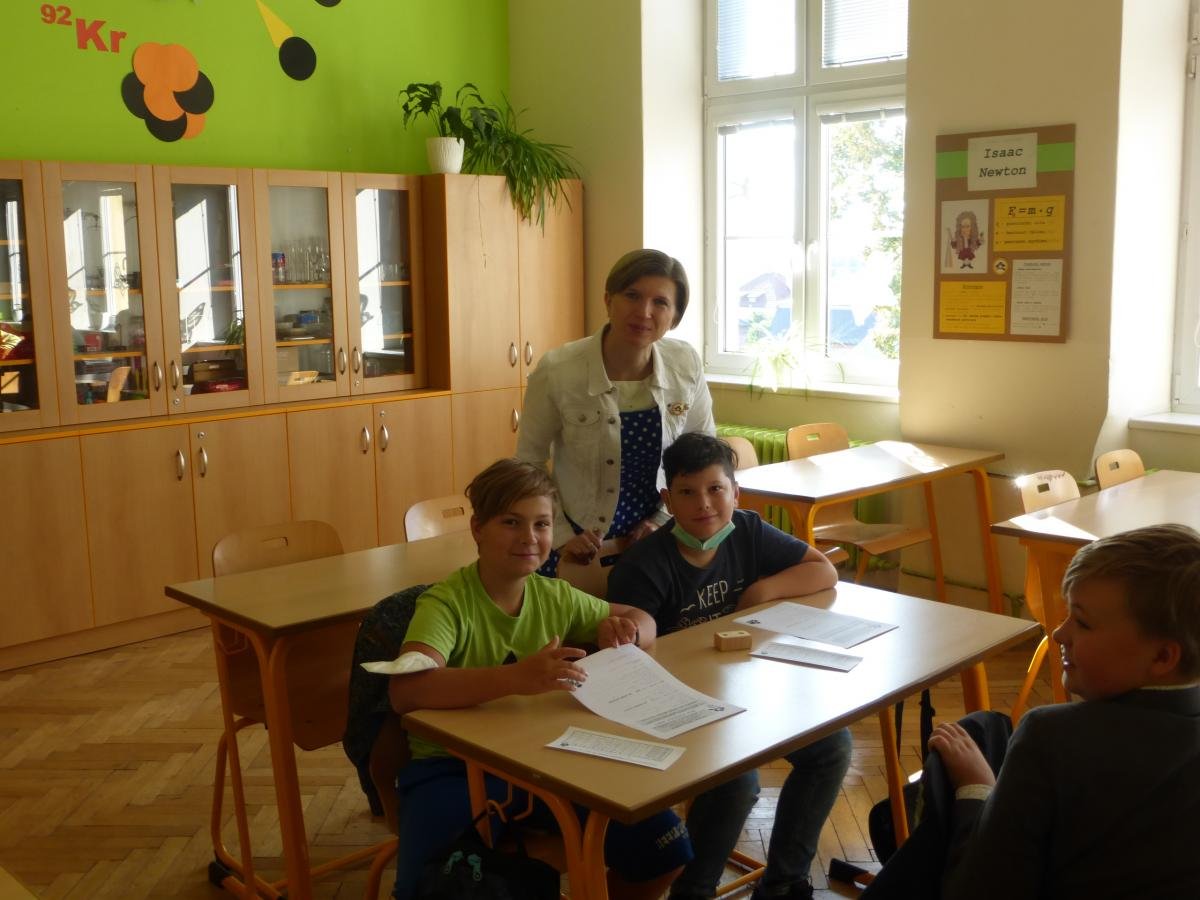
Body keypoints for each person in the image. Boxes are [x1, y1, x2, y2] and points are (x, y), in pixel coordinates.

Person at [385, 458, 691, 900]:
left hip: (549, 761)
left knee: (665, 848)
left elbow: (642, 618)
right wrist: (514, 678)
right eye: (511, 522)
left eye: (542, 524)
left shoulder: (555, 595)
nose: (529, 537)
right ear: (477, 529)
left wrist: (628, 630)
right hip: (453, 769)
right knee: (431, 887)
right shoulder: (446, 604)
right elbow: (407, 690)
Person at [871, 523, 1200, 900]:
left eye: (1083, 622)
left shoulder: (1051, 738)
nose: (1059, 633)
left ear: (1162, 656)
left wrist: (978, 789)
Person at [607, 432, 852, 900]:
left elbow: (824, 570)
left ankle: (784, 884)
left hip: (746, 691)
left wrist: (761, 591)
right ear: (667, 501)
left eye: (716, 489)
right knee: (736, 781)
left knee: (832, 747)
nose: (704, 503)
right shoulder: (645, 565)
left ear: (736, 493)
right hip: (678, 706)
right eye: (687, 492)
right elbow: (627, 659)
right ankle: (694, 891)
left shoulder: (747, 530)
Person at [517, 248, 714, 576]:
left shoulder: (685, 363)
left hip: (657, 540)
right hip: (576, 543)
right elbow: (529, 462)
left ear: (675, 317)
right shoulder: (559, 370)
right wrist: (561, 535)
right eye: (632, 295)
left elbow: (703, 455)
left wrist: (663, 518)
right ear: (608, 300)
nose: (644, 312)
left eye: (660, 302)